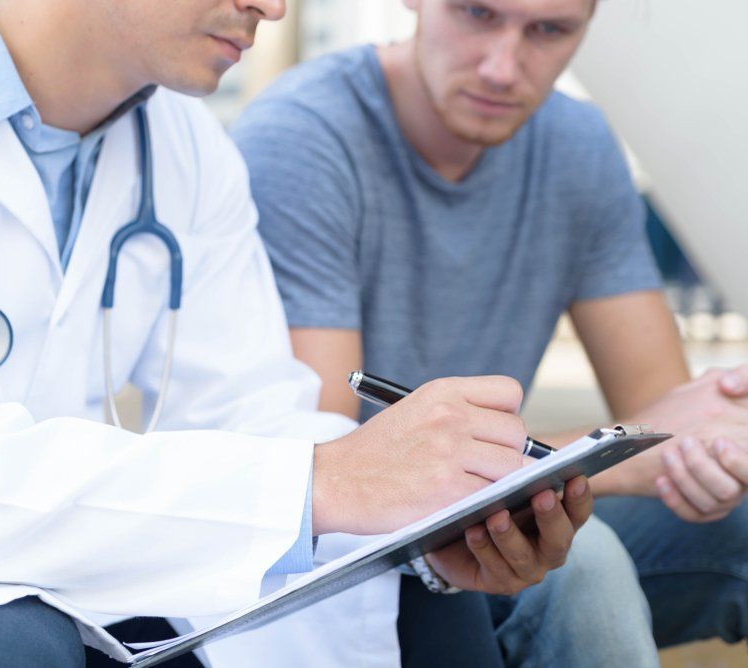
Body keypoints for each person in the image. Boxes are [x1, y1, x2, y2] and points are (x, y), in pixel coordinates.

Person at [0, 0, 597, 666]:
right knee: (9, 646)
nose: (270, 6)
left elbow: (252, 413)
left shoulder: (183, 147)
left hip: (53, 556)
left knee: (409, 599)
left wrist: (428, 533)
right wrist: (325, 481)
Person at [231, 0, 748, 665]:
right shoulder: (304, 134)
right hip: (344, 556)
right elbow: (330, 475)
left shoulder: (576, 144)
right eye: (477, 13)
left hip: (498, 511)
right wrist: (611, 460)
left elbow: (661, 419)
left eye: (549, 30)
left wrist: (711, 441)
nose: (504, 67)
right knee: (584, 562)